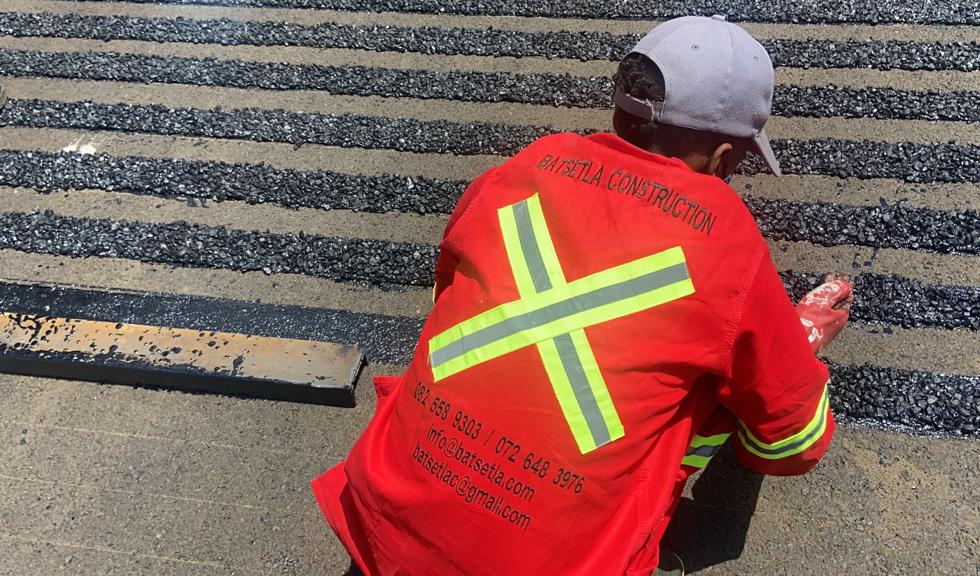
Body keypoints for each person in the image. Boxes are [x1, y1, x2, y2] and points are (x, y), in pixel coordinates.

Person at [313, 15, 853, 576]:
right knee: (719, 379)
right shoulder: (727, 241)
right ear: (722, 158)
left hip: (380, 515)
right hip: (543, 565)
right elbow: (794, 444)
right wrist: (797, 340)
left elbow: (447, 293)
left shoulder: (527, 165)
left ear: (620, 113)